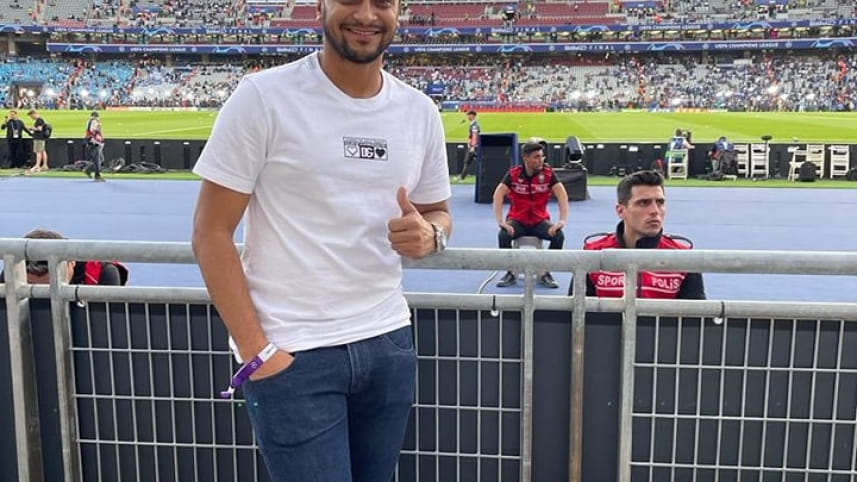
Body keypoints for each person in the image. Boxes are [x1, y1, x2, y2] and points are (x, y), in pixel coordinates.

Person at [190, 0, 452, 480]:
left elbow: (438, 212)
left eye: (382, 3)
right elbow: (210, 232)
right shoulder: (264, 97)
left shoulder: (419, 112)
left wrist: (431, 235)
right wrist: (258, 352)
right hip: (293, 352)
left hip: (387, 343)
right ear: (320, 7)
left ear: (400, 12)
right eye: (350, 0)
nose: (366, 15)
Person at [568, 170, 706, 299]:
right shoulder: (593, 253)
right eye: (643, 203)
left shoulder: (684, 258)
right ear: (621, 211)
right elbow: (573, 312)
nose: (655, 211)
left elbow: (696, 316)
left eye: (660, 202)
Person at [493, 141, 568, 288]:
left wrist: (562, 221)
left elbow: (562, 196)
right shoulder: (513, 174)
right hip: (517, 221)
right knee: (503, 235)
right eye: (536, 157)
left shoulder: (548, 174)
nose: (541, 160)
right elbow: (498, 194)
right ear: (525, 158)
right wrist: (501, 221)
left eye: (542, 156)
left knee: (559, 235)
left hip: (539, 222)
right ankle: (510, 272)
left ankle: (545, 272)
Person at [0, 229, 128, 285]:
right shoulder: (13, 271)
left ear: (71, 262)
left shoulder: (102, 274)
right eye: (32, 286)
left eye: (52, 285)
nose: (45, 296)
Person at [25, 109, 49, 174]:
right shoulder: (40, 120)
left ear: (33, 114)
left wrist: (30, 128)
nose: (31, 118)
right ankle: (44, 165)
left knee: (38, 152)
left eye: (31, 116)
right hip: (41, 138)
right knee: (42, 151)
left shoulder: (39, 120)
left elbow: (39, 129)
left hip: (38, 138)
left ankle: (37, 166)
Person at [458, 109, 480, 179]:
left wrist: (472, 146)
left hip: (473, 147)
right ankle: (463, 175)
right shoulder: (473, 125)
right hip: (474, 146)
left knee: (466, 162)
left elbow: (475, 136)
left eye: (469, 115)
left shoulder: (474, 125)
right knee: (472, 161)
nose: (468, 117)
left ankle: (462, 176)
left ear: (473, 116)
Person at [83, 111, 105, 182]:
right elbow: (92, 130)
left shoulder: (90, 121)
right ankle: (97, 176)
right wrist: (98, 127)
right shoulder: (94, 121)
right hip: (94, 142)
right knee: (97, 159)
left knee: (100, 159)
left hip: (93, 141)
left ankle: (87, 169)